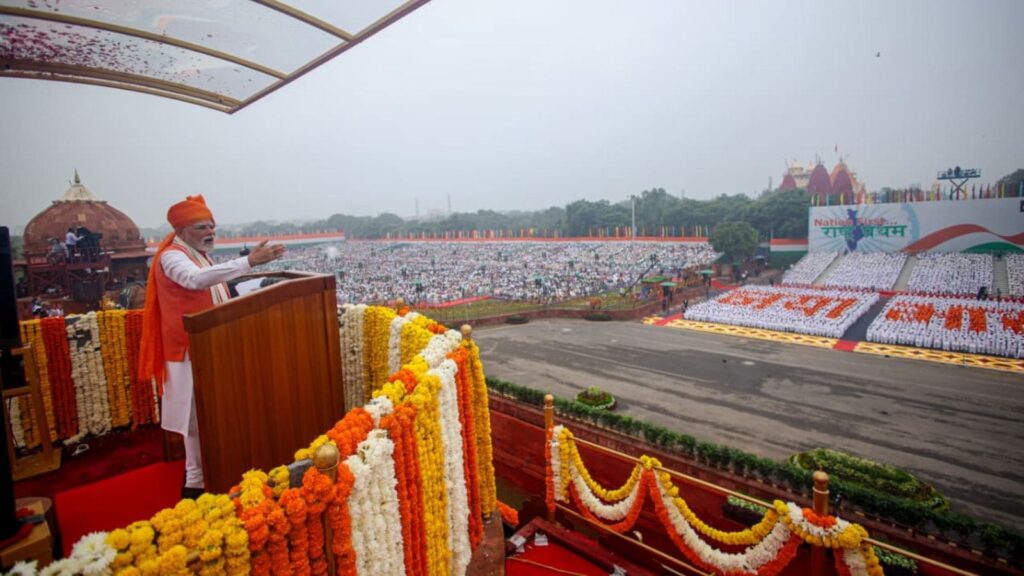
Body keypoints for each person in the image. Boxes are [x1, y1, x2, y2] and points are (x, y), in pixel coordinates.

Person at [139, 195, 285, 499]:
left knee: (211, 415)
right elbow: (195, 281)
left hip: (212, 347)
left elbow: (215, 289)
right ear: (181, 230)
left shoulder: (198, 253)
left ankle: (211, 474)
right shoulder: (172, 256)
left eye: (212, 227)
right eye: (202, 227)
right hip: (189, 350)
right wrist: (248, 262)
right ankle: (194, 485)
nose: (210, 233)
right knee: (194, 419)